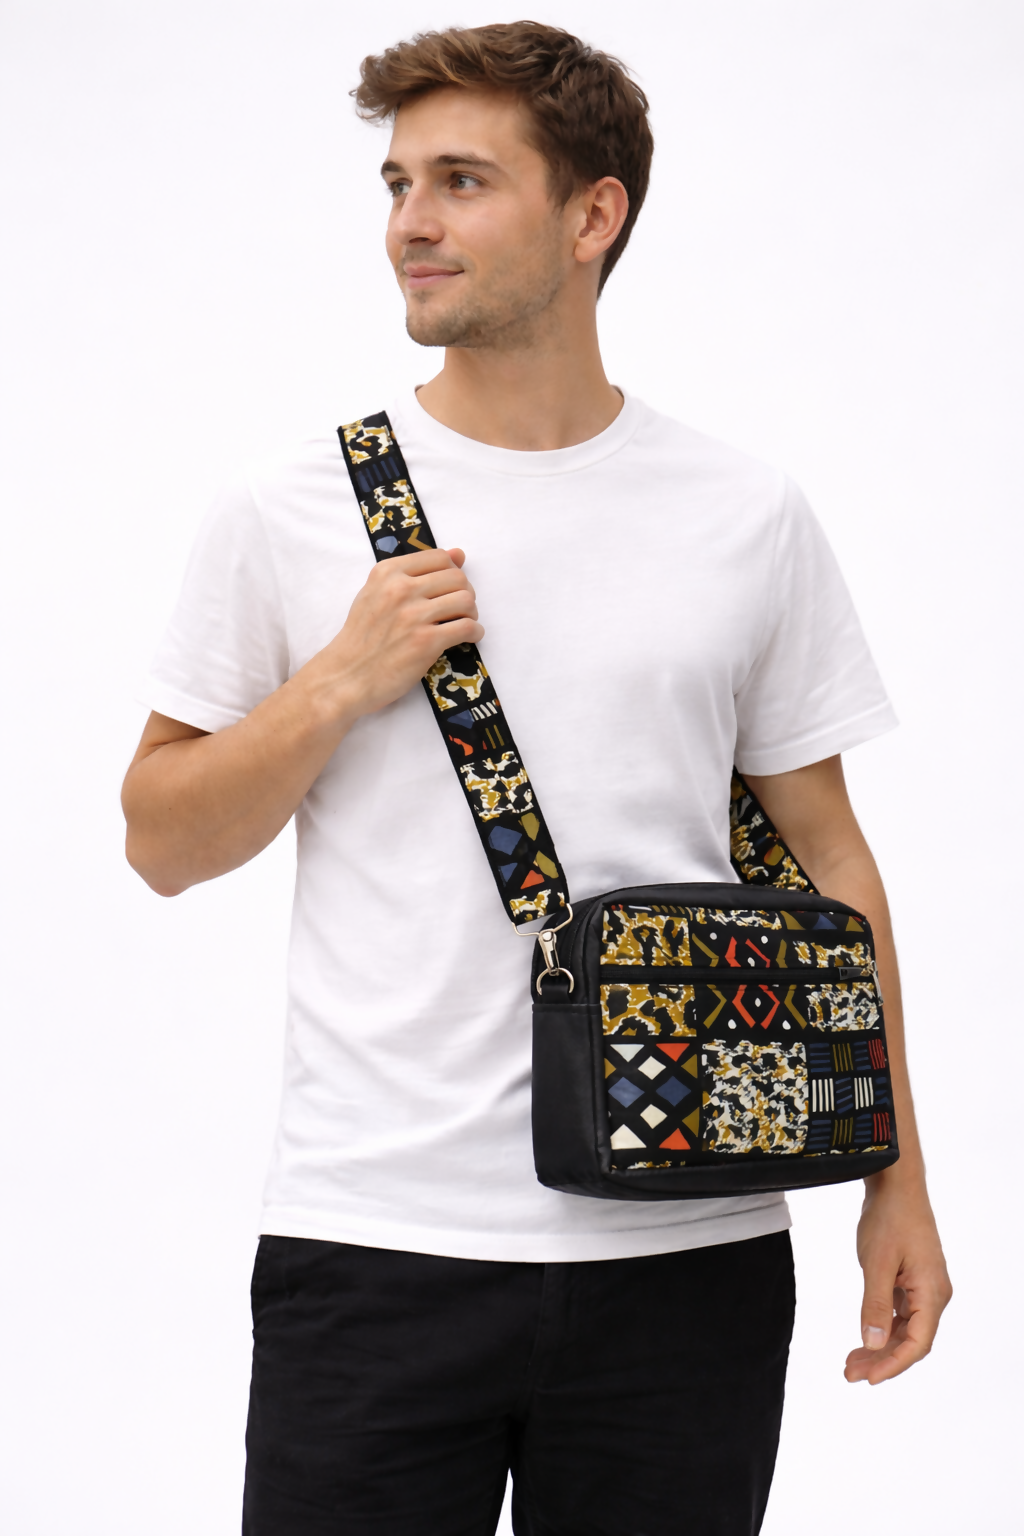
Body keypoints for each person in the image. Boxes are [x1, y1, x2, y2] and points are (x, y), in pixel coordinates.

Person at [122, 21, 951, 1536]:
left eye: (461, 181)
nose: (411, 224)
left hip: (692, 1243)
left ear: (591, 215)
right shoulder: (294, 507)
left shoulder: (745, 512)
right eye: (397, 184)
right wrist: (340, 680)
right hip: (375, 1246)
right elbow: (160, 841)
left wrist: (897, 1178)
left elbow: (832, 860)